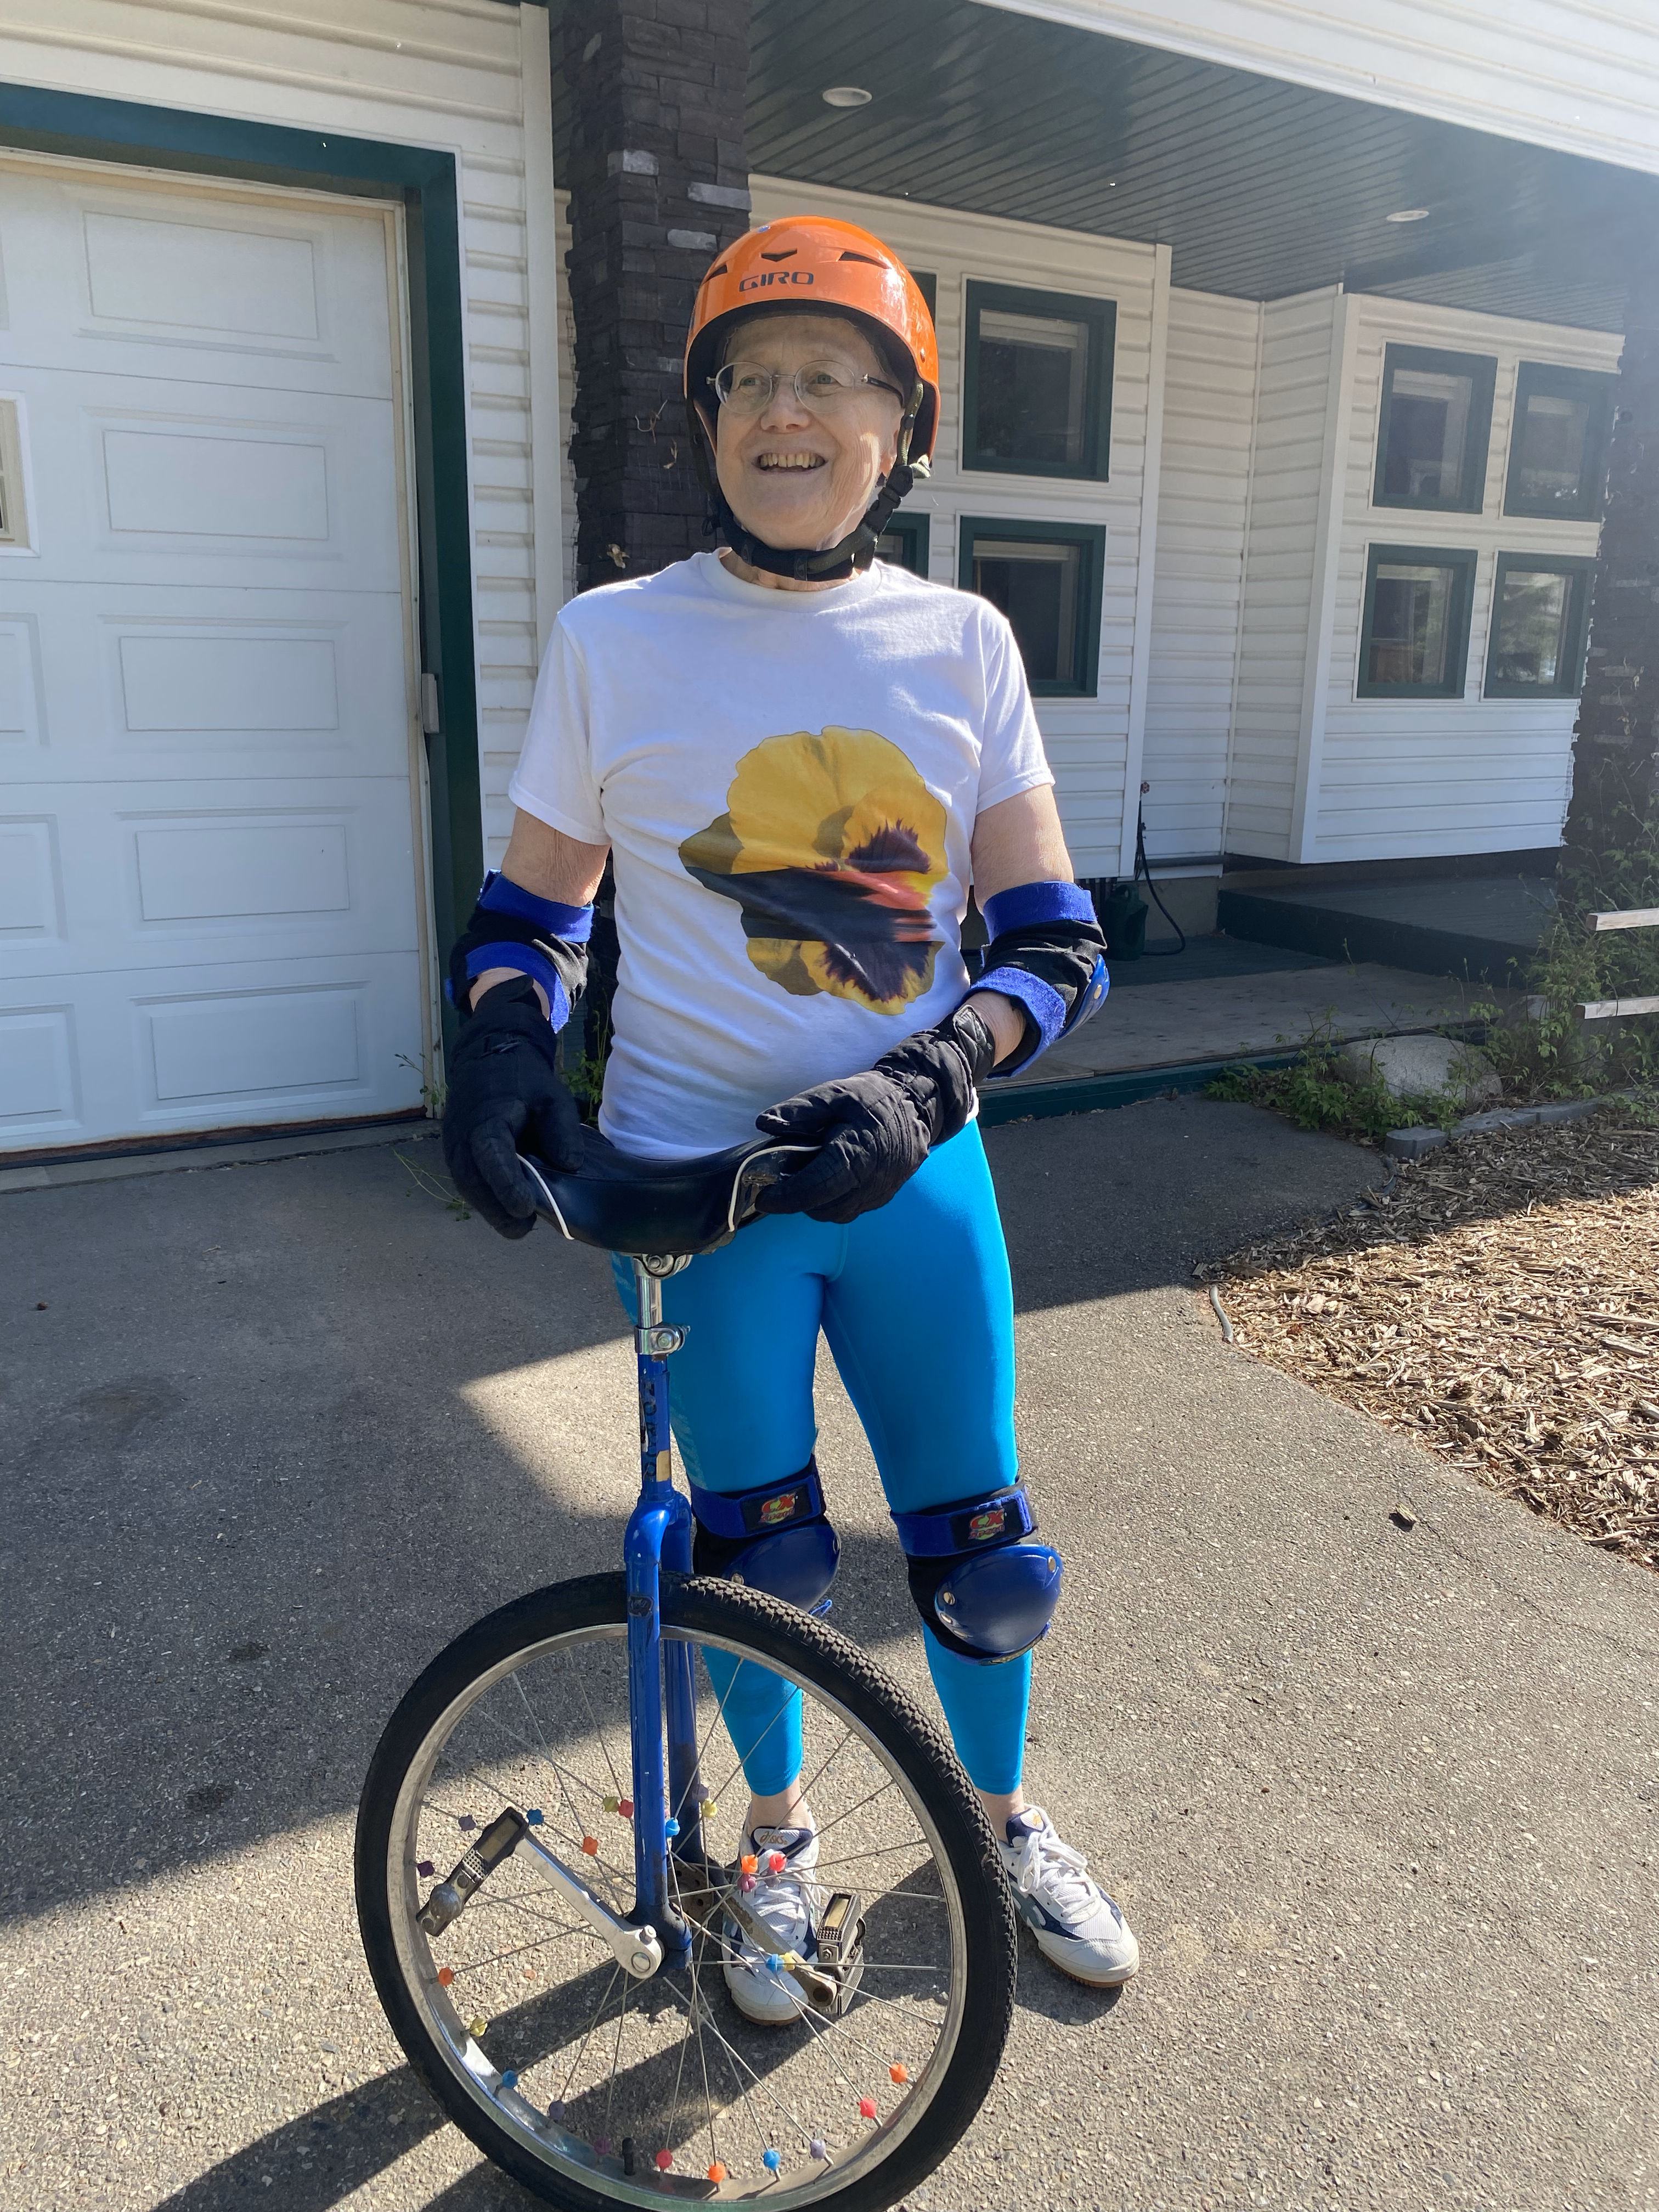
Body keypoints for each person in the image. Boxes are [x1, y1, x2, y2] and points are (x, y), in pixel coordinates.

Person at [440, 215, 1138, 2006]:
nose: (788, 412)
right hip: (701, 1191)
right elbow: (532, 920)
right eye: (750, 378)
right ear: (708, 420)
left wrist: (931, 1074)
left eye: (836, 377)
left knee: (984, 1555)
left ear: (904, 429)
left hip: (913, 1181)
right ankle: (776, 1842)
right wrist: (506, 1055)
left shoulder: (964, 642)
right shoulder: (612, 640)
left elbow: (1055, 945)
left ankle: (997, 1823)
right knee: (763, 1559)